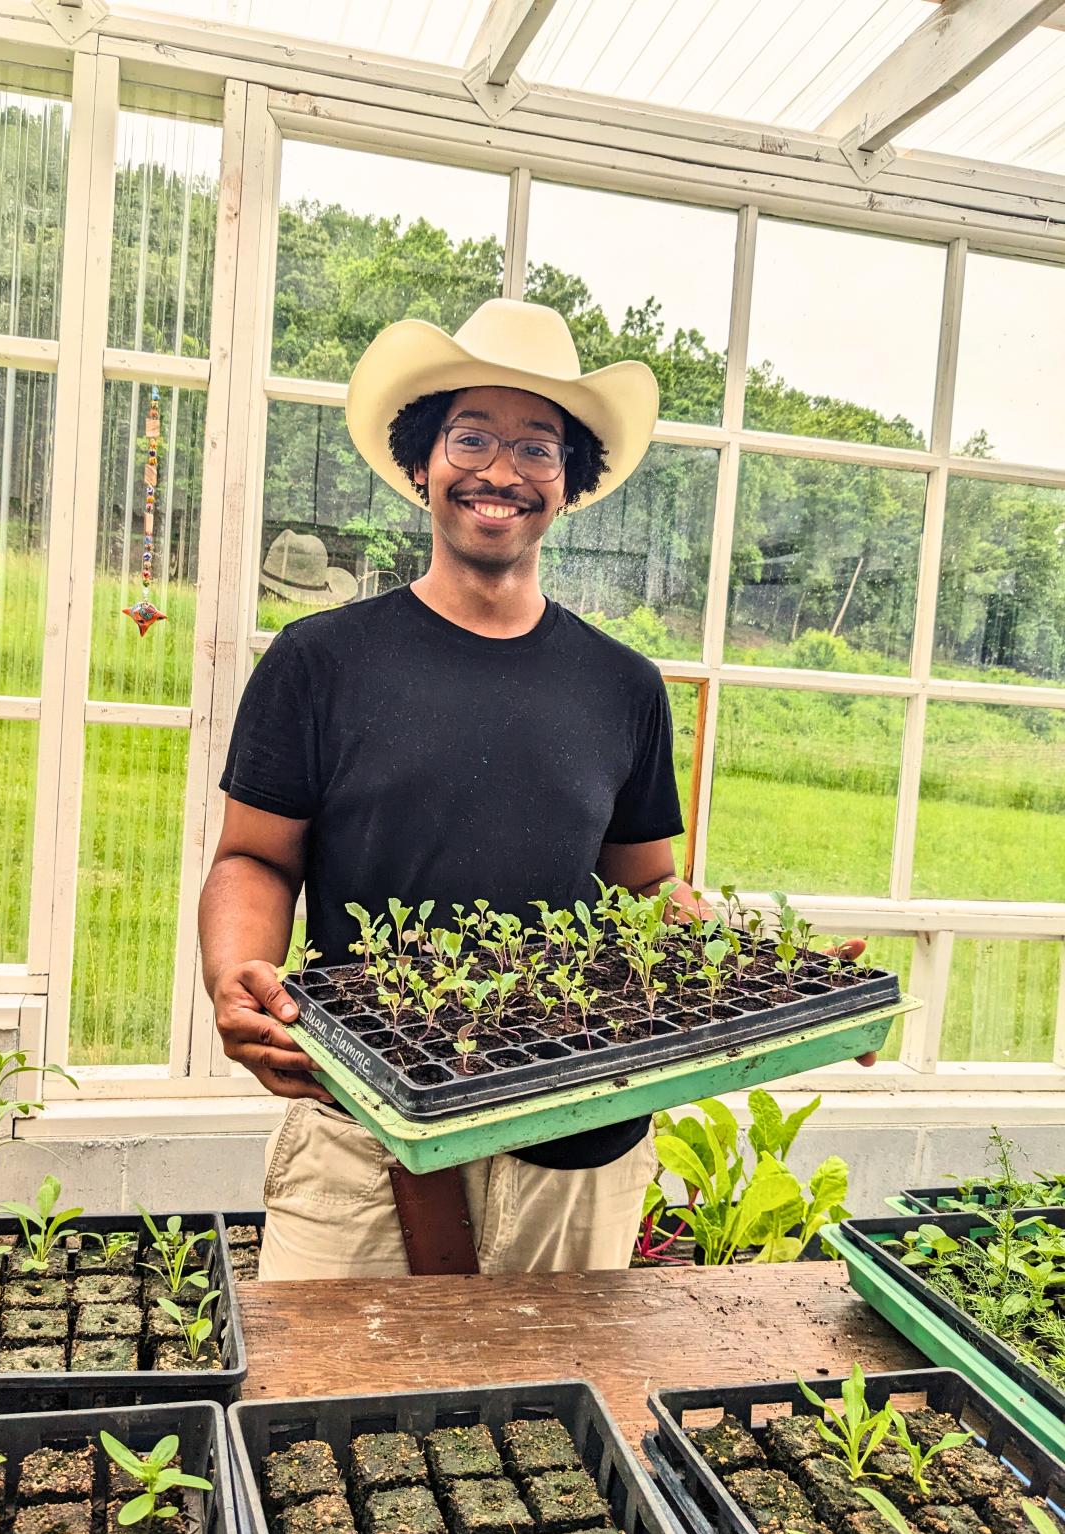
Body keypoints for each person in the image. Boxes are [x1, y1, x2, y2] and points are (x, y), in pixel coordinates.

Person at [199, 298, 871, 1280]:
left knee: (553, 1407)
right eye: (471, 434)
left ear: (569, 484)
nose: (501, 469)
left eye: (538, 446)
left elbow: (646, 890)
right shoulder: (320, 662)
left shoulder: (624, 687)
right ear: (423, 461)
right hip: (362, 1128)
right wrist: (237, 981)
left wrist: (777, 976)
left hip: (576, 1138)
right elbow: (254, 856)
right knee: (323, 1412)